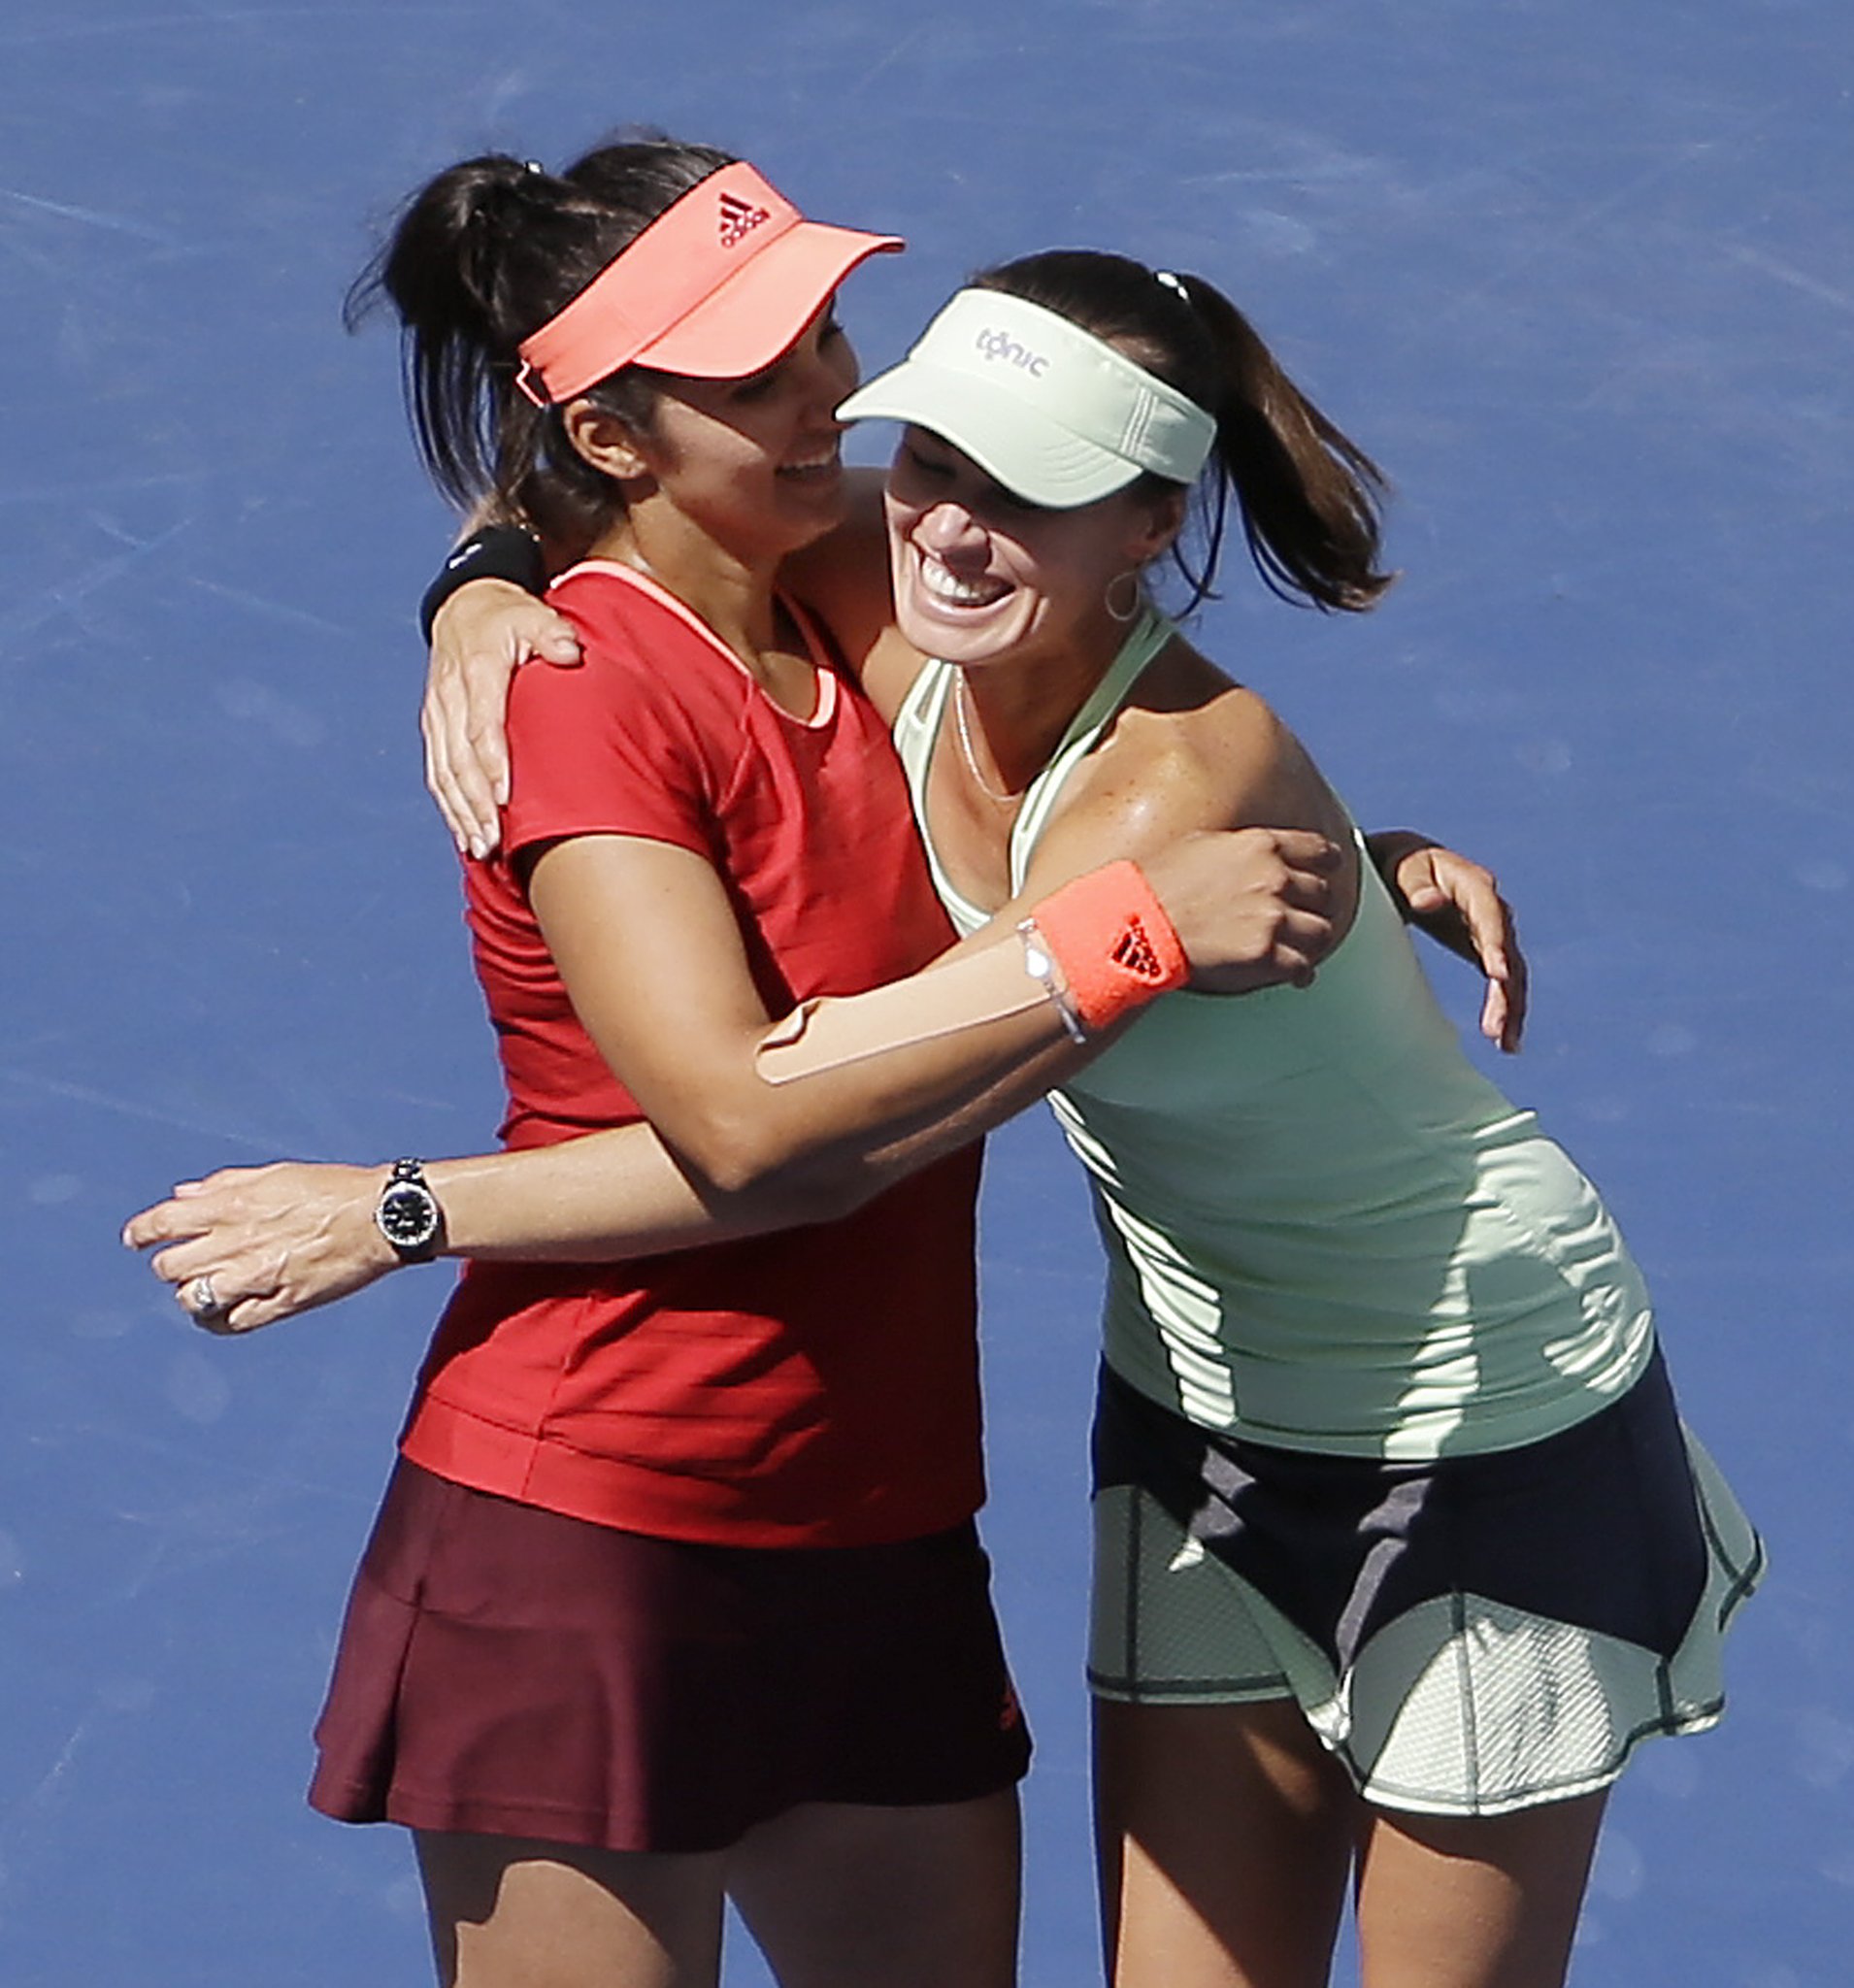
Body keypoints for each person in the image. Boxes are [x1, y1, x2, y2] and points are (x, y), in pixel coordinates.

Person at [121, 149, 1577, 1988]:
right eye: (753, 373)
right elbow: (765, 1132)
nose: (832, 395)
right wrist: (403, 1210)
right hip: (595, 1529)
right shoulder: (589, 689)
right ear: (619, 432)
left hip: (879, 1514)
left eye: (819, 333)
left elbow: (1049, 775)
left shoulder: (841, 573)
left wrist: (1336, 882)